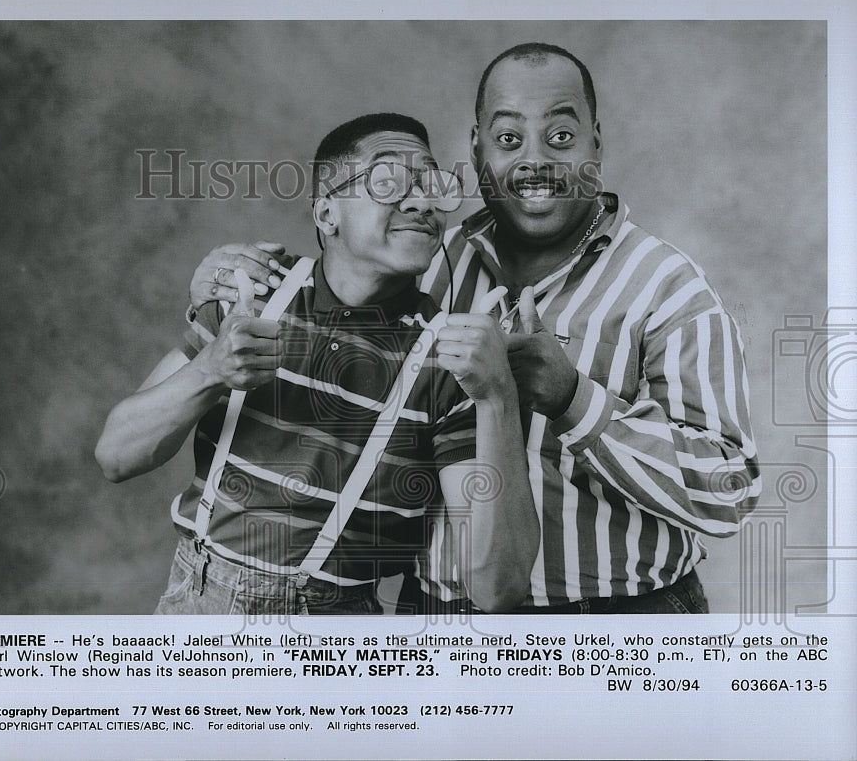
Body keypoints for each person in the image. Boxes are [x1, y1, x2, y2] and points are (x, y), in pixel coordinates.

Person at [190, 43, 762, 614]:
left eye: (561, 138)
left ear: (596, 144)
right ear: (476, 149)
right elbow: (330, 317)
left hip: (615, 621)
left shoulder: (669, 287)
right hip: (433, 613)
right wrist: (222, 282)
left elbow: (729, 493)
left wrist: (574, 399)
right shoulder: (432, 257)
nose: (534, 161)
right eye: (509, 140)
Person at [96, 112, 538, 615]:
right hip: (197, 605)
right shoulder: (252, 295)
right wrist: (210, 370)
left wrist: (497, 396)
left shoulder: (452, 362)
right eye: (389, 180)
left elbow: (496, 588)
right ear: (328, 215)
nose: (422, 201)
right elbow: (115, 457)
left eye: (433, 183)